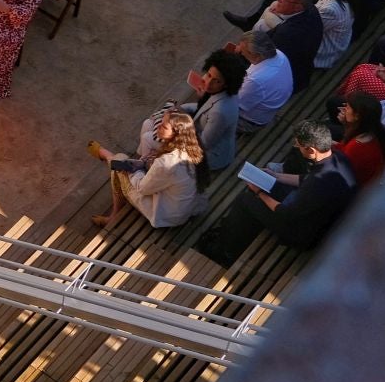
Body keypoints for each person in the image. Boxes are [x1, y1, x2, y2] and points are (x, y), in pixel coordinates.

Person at [199, 122, 357, 267]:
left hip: (301, 232)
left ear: (311, 150)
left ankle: (225, 252)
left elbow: (285, 213)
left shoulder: (318, 183)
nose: (296, 147)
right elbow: (305, 179)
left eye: (299, 145)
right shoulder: (338, 158)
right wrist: (276, 176)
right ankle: (233, 233)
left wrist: (259, 192)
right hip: (319, 216)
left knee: (246, 200)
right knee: (265, 188)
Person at [87, 110, 208, 230]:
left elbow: (142, 188)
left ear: (176, 135)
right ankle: (108, 157)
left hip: (168, 216)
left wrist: (134, 170)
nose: (159, 126)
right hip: (185, 206)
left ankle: (113, 216)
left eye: (164, 126)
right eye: (161, 122)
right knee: (125, 163)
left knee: (119, 163)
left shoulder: (167, 163)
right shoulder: (194, 148)